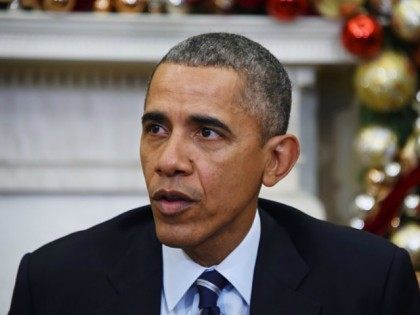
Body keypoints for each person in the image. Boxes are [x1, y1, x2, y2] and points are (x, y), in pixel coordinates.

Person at [9, 33, 420, 315]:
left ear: (276, 160)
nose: (168, 161)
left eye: (207, 132)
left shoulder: (369, 283)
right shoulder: (54, 282)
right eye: (156, 128)